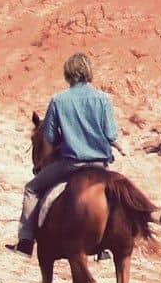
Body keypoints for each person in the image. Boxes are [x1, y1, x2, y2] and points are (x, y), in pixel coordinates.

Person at [11, 52, 122, 256]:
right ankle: (105, 248)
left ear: (68, 73)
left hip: (71, 164)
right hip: (100, 165)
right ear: (88, 72)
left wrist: (54, 150)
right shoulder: (104, 99)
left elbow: (50, 138)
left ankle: (25, 241)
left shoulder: (59, 101)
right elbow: (111, 134)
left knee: (31, 189)